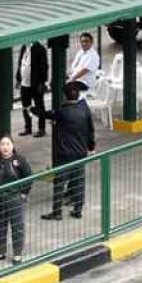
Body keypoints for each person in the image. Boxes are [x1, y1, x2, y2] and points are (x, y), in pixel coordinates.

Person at [43, 82, 96, 221]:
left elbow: (45, 114)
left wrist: (31, 109)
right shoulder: (84, 108)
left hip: (64, 154)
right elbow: (91, 130)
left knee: (60, 183)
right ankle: (77, 210)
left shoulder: (62, 112)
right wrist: (91, 147)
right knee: (79, 181)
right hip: (80, 153)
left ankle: (57, 212)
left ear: (65, 96)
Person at [0, 136, 32, 265]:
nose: (5, 147)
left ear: (12, 146)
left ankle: (17, 254)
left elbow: (29, 177)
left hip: (15, 198)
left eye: (7, 144)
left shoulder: (20, 160)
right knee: (0, 226)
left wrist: (24, 193)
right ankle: (0, 252)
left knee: (17, 226)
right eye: (2, 144)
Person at [17, 40, 50, 136]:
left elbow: (44, 66)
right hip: (24, 83)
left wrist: (42, 82)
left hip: (35, 84)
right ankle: (28, 128)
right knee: (26, 106)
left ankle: (41, 129)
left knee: (39, 106)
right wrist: (18, 79)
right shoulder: (24, 47)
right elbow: (21, 63)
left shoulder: (40, 49)